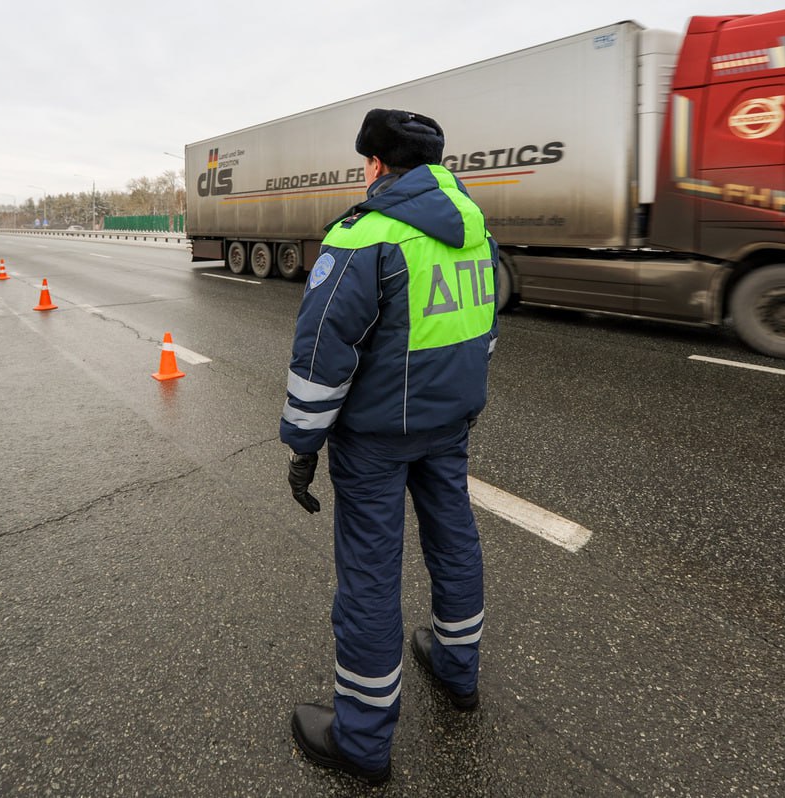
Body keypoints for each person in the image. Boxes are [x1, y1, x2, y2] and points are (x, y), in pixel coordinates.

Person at [281, 108, 498, 785]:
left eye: (364, 163)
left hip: (375, 440)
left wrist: (303, 442)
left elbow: (321, 350)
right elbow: (482, 332)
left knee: (372, 577)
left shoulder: (365, 236)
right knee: (454, 538)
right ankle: (458, 672)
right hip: (448, 426)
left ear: (376, 165)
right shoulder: (474, 230)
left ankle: (364, 739)